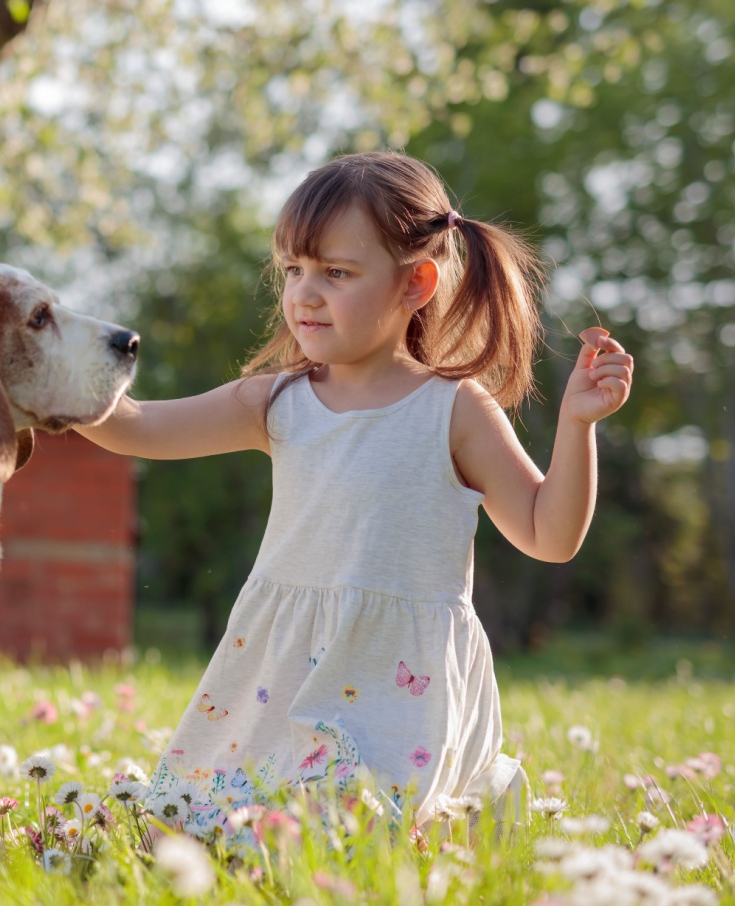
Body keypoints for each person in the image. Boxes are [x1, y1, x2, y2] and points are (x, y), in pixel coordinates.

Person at [75, 151, 633, 831]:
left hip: (398, 679)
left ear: (416, 285)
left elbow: (550, 534)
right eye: (294, 270)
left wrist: (577, 425)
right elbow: (139, 426)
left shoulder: (453, 410)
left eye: (336, 273)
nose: (305, 293)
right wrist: (47, 379)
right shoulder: (278, 400)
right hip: (284, 669)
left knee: (363, 831)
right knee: (218, 827)